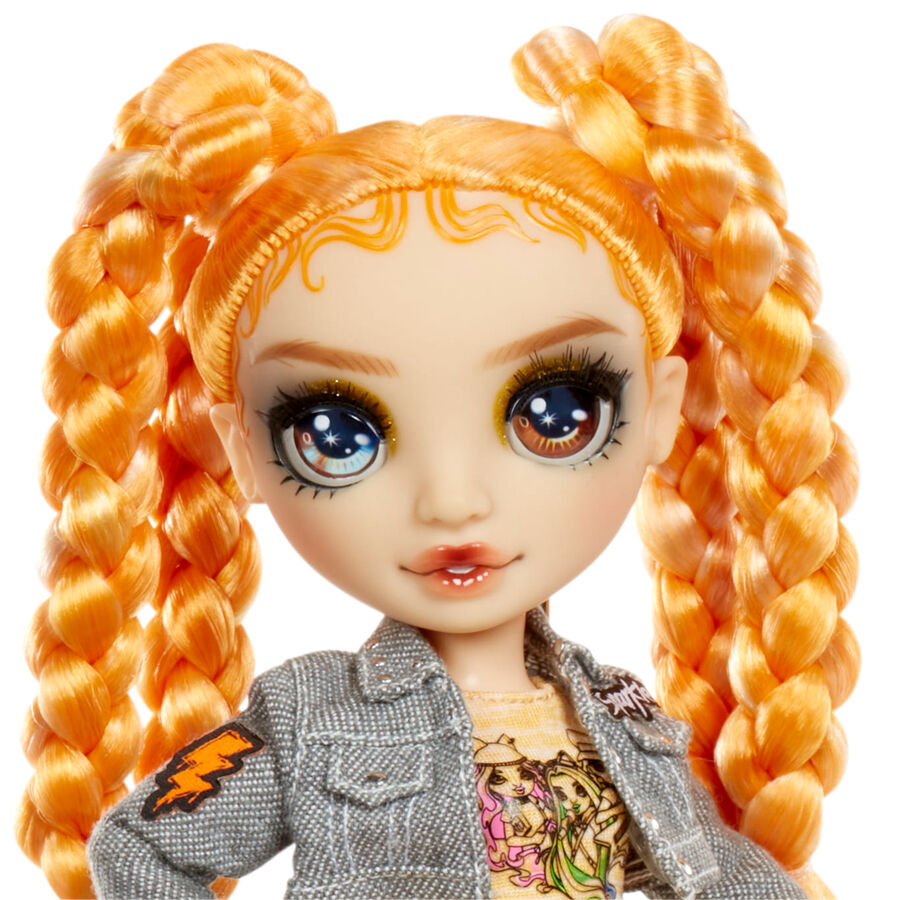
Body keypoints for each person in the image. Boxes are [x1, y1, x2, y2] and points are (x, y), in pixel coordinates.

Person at [17, 14, 858, 899]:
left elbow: (720, 873)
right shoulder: (309, 718)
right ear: (245, 454)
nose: (452, 501)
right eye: (336, 435)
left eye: (556, 413)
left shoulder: (622, 714)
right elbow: (141, 851)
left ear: (659, 411)